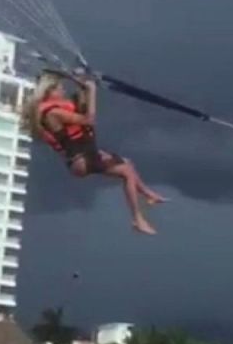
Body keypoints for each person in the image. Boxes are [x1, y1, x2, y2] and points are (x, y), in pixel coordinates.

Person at [20, 70, 166, 235]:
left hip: (86, 155)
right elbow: (88, 119)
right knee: (126, 172)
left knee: (127, 163)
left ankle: (147, 194)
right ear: (49, 92)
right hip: (82, 159)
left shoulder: (56, 110)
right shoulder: (53, 113)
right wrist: (93, 91)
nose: (63, 91)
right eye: (59, 88)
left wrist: (83, 86)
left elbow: (81, 109)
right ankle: (137, 219)